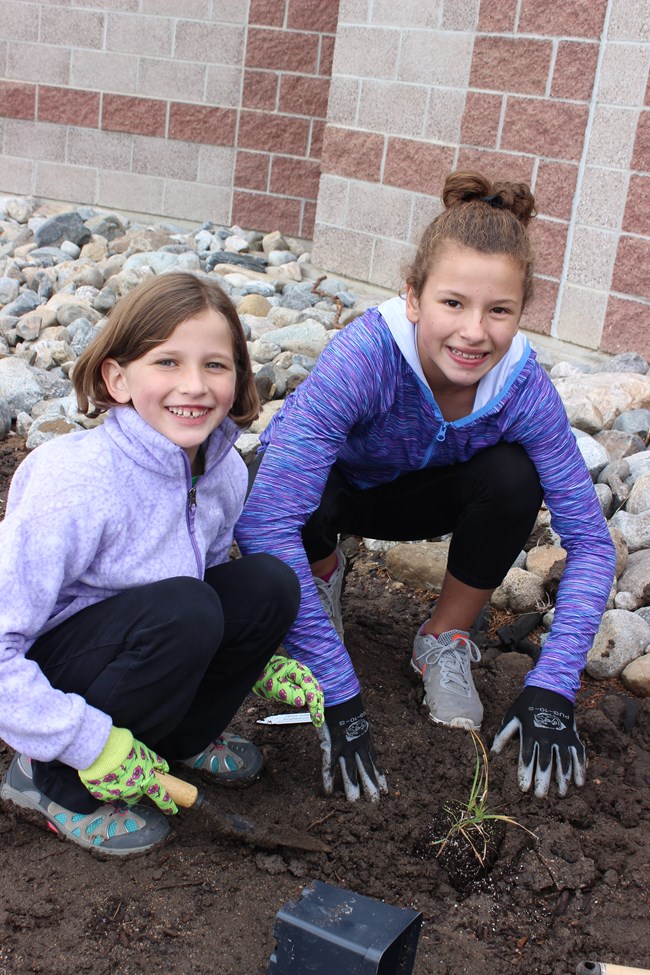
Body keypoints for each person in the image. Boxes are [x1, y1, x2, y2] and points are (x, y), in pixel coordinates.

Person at [236, 170, 616, 804]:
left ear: (522, 313)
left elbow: (592, 545)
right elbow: (265, 517)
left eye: (499, 311)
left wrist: (556, 683)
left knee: (514, 476)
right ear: (413, 298)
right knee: (278, 483)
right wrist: (339, 686)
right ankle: (320, 588)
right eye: (453, 304)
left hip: (429, 502)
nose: (474, 331)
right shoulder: (366, 357)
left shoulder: (525, 389)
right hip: (338, 496)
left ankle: (443, 638)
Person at [0, 271, 324, 858]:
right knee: (187, 609)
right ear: (117, 378)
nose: (194, 386)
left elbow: (205, 583)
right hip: (54, 673)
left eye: (215, 365)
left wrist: (256, 659)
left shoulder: (222, 469)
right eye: (168, 363)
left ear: (239, 378)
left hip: (152, 633)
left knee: (268, 585)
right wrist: (87, 741)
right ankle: (50, 781)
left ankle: (178, 736)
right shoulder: (72, 481)